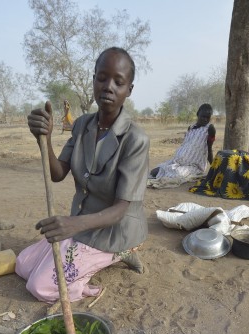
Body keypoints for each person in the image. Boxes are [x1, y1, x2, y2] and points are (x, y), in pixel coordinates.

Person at [16, 47, 149, 304]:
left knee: (40, 287)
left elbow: (121, 210)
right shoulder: (82, 125)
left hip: (113, 229)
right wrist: (44, 139)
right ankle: (93, 258)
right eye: (102, 78)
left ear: (128, 90)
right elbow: (57, 174)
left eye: (118, 82)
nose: (108, 87)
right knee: (22, 265)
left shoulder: (135, 139)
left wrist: (74, 225)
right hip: (80, 226)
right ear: (93, 80)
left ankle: (116, 256)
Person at [148, 103, 216, 184]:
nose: (205, 119)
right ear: (198, 114)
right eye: (203, 116)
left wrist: (213, 168)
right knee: (154, 172)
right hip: (176, 162)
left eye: (207, 118)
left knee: (172, 176)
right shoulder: (191, 128)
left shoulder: (209, 129)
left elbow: (209, 149)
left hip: (192, 166)